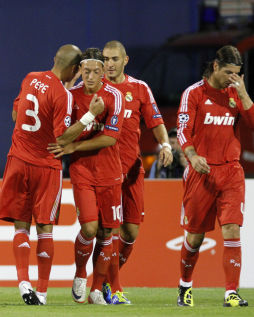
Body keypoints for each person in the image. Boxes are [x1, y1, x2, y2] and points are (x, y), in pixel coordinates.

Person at [0, 44, 104, 305]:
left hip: (17, 159)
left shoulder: (30, 77)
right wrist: (91, 115)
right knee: (45, 228)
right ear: (73, 69)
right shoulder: (64, 95)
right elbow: (61, 137)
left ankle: (24, 284)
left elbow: (15, 113)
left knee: (21, 226)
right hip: (45, 165)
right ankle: (42, 292)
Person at [176, 45, 253, 307]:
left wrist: (244, 94)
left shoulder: (236, 93)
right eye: (230, 72)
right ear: (216, 66)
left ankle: (231, 292)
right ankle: (185, 285)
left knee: (232, 230)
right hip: (202, 173)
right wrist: (192, 156)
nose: (234, 78)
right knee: (195, 237)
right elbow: (183, 130)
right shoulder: (194, 93)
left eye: (238, 74)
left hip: (231, 171)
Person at [98, 40, 173, 304]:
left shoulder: (139, 88)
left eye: (114, 59)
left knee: (130, 233)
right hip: (105, 173)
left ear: (125, 60)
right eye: (105, 59)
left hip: (132, 171)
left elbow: (156, 121)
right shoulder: (96, 89)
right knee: (112, 230)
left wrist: (165, 144)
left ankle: (103, 281)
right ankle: (113, 288)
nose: (109, 64)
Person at [49, 48, 124, 305]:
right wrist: (88, 118)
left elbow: (110, 137)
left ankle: (96, 290)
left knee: (106, 232)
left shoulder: (115, 96)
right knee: (90, 228)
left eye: (95, 71)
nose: (90, 76)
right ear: (80, 70)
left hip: (111, 172)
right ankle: (80, 273)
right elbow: (61, 137)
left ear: (104, 72)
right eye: (86, 71)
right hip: (82, 172)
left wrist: (76, 146)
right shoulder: (70, 97)